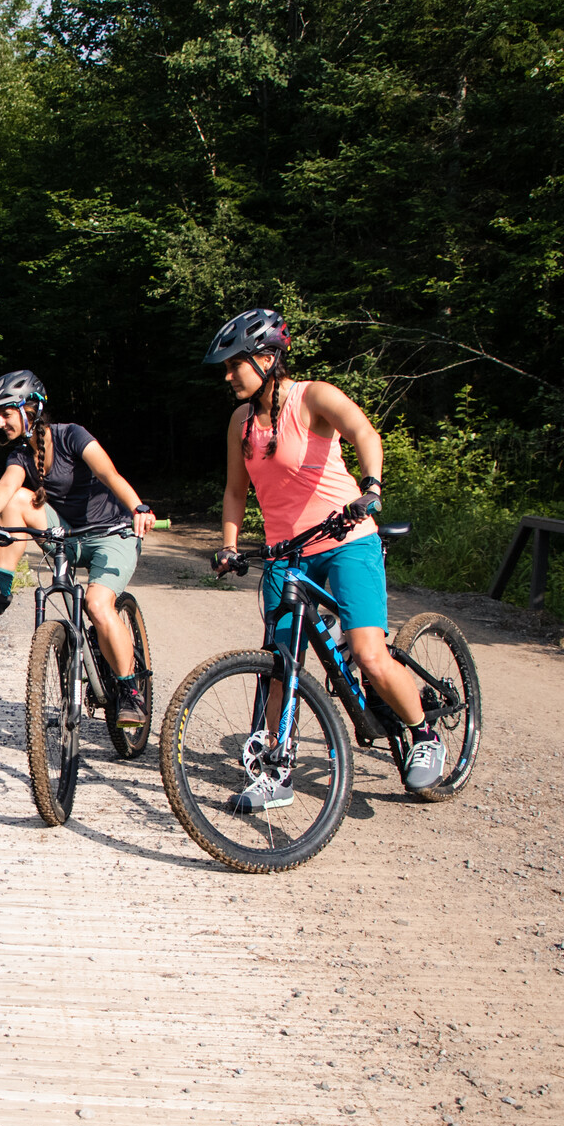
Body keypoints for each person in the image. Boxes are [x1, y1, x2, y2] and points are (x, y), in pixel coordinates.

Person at [203, 309, 445, 810]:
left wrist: (371, 487)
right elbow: (234, 490)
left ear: (267, 358)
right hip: (286, 555)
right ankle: (276, 771)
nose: (227, 376)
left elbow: (364, 433)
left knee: (370, 655)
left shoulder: (314, 397)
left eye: (234, 364)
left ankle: (424, 733)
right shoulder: (241, 422)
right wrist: (229, 544)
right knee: (279, 666)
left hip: (346, 539)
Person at [0, 370, 157, 726]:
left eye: (6, 412)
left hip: (112, 533)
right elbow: (6, 487)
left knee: (97, 604)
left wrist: (138, 508)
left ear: (31, 408)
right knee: (17, 501)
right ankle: (1, 588)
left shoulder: (71, 435)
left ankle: (130, 692)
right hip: (68, 537)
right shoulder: (21, 456)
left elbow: (110, 474)